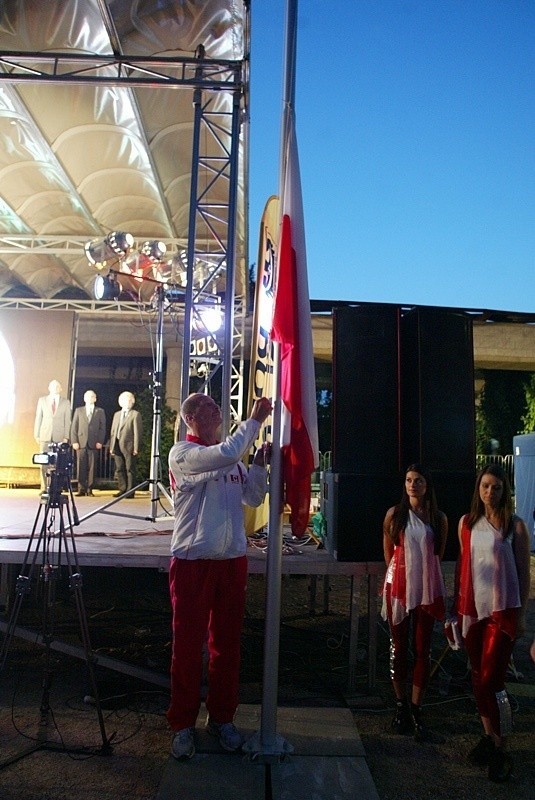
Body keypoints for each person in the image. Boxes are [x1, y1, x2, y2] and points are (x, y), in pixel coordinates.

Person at [167, 392, 272, 760]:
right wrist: (253, 422)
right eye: (209, 407)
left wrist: (258, 465)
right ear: (190, 417)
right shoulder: (183, 454)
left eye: (217, 406)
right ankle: (182, 725)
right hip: (194, 561)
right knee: (187, 646)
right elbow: (225, 454)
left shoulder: (233, 460)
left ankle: (222, 717)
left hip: (231, 560)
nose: (217, 410)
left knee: (227, 646)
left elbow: (254, 499)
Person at [455, 463, 530, 783]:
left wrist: (523, 614)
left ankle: (501, 746)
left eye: (496, 487)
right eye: (485, 486)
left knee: (491, 678)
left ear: (505, 490)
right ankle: (489, 736)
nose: (490, 492)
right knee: (476, 676)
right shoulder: (467, 523)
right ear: (478, 489)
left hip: (503, 612)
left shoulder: (516, 526)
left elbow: (524, 575)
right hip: (474, 610)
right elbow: (464, 566)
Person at [382, 464, 448, 741]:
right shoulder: (395, 515)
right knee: (398, 646)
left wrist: (421, 577)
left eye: (418, 480)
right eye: (409, 480)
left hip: (426, 585)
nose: (412, 485)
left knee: (423, 648)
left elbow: (439, 553)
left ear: (426, 485)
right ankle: (400, 705)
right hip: (398, 585)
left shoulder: (438, 518)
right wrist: (401, 578)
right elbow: (388, 552)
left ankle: (417, 707)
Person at [33, 379, 72, 491]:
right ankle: (44, 487)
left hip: (59, 437)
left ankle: (56, 487)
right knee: (43, 462)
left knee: (58, 463)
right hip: (45, 435)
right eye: (53, 386)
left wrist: (66, 436)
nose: (55, 388)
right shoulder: (42, 400)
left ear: (60, 389)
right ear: (49, 388)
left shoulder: (65, 402)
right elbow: (38, 417)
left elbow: (67, 420)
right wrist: (37, 434)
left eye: (57, 386)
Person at [70, 390, 106, 496]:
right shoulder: (79, 410)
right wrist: (74, 441)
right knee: (81, 466)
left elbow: (102, 428)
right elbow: (74, 427)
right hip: (80, 443)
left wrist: (100, 441)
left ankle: (90, 489)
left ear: (95, 399)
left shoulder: (100, 411)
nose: (90, 398)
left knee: (92, 467)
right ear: (84, 398)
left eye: (92, 397)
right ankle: (81, 488)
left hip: (94, 443)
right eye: (88, 396)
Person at [109, 391, 143, 498]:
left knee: (130, 469)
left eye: (129, 400)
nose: (127, 402)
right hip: (117, 444)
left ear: (132, 402)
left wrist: (136, 447)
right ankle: (122, 489)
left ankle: (130, 491)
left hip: (129, 446)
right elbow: (113, 431)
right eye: (125, 400)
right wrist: (111, 446)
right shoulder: (117, 414)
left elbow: (138, 432)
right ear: (121, 402)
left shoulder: (135, 414)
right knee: (119, 468)